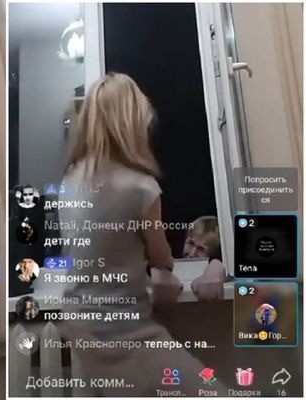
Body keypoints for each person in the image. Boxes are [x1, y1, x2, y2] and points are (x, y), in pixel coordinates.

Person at [57, 73, 226, 395]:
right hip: (123, 329)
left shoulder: (70, 181)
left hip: (82, 323)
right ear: (131, 123)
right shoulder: (141, 187)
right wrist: (161, 266)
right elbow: (163, 258)